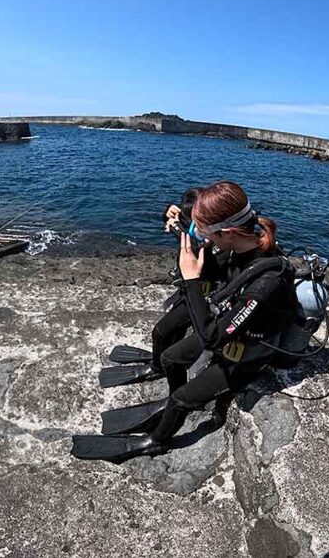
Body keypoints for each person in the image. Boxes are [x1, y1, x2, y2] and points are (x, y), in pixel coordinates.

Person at [72, 181, 299, 460]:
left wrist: (190, 279)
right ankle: (172, 404)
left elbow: (212, 338)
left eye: (205, 231)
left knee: (181, 401)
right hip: (229, 330)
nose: (201, 236)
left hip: (249, 351)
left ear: (227, 233)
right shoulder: (236, 248)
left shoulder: (267, 281)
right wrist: (185, 238)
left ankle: (157, 440)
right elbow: (218, 275)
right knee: (168, 358)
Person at [99, 187, 230, 388]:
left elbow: (201, 258)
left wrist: (179, 230)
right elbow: (182, 229)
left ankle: (163, 370)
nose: (195, 229)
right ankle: (163, 360)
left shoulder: (219, 246)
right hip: (189, 292)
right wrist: (168, 214)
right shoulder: (199, 231)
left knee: (160, 332)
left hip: (204, 299)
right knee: (170, 333)